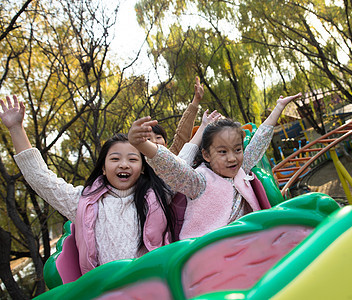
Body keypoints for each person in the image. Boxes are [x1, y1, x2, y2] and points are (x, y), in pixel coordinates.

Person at [0, 95, 174, 275]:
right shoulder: (84, 202)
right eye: (115, 159)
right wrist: (16, 128)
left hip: (152, 284)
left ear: (143, 168)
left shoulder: (160, 194)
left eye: (132, 159)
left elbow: (182, 173)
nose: (124, 164)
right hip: (104, 290)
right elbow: (41, 179)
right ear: (104, 168)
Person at [128, 92, 302, 239]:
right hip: (210, 249)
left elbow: (259, 140)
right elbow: (173, 167)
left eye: (237, 149)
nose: (232, 158)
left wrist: (279, 107)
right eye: (223, 152)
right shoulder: (199, 182)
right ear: (206, 155)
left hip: (247, 240)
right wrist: (142, 145)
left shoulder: (241, 169)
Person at [150, 76, 204, 155]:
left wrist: (196, 100)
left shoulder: (172, 158)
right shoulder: (137, 162)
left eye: (158, 137)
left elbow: (182, 135)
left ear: (166, 144)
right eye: (148, 139)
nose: (154, 141)